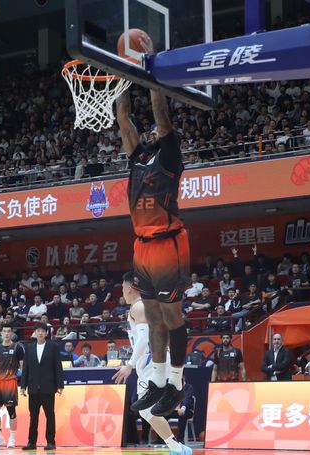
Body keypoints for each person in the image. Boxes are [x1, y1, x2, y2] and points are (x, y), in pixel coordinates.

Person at [116, 33, 191, 417]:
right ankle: (159, 381)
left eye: (152, 134)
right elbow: (123, 119)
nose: (147, 134)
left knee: (171, 315)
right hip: (142, 245)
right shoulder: (136, 157)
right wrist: (121, 73)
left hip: (167, 241)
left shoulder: (169, 155)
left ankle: (176, 383)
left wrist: (149, 67)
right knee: (152, 314)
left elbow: (161, 113)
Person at [112, 272, 192, 455]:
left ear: (129, 288)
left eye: (123, 288)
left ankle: (177, 448)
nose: (122, 292)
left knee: (146, 410)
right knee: (147, 411)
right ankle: (177, 448)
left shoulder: (139, 306)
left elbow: (143, 339)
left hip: (152, 362)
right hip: (155, 360)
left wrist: (129, 365)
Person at [21, 322, 64, 451]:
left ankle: (51, 442)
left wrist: (60, 385)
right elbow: (25, 368)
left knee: (49, 415)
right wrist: (23, 386)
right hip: (33, 387)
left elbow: (58, 366)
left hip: (48, 387)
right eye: (38, 331)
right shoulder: (29, 348)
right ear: (34, 333)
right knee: (33, 416)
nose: (40, 333)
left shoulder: (53, 347)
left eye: (42, 331)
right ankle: (31, 442)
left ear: (46, 333)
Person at [0, 325, 25, 449]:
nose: (7, 333)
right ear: (1, 333)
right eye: (4, 331)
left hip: (10, 382)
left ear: (12, 333)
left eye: (9, 331)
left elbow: (22, 367)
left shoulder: (18, 347)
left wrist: (24, 384)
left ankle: (12, 438)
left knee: (11, 411)